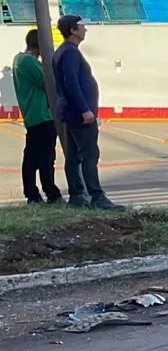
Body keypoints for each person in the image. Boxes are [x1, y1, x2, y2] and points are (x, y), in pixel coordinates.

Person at [51, 14, 122, 210]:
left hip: (71, 111)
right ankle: (96, 196)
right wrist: (85, 110)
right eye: (82, 27)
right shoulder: (70, 52)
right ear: (73, 30)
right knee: (90, 154)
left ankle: (77, 196)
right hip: (79, 113)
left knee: (74, 155)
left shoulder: (63, 51)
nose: (85, 30)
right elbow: (71, 83)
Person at [11, 29, 62, 204]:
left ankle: (32, 193)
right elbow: (47, 82)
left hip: (33, 115)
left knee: (32, 157)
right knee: (46, 157)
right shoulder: (28, 61)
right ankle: (51, 192)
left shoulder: (19, 60)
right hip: (42, 115)